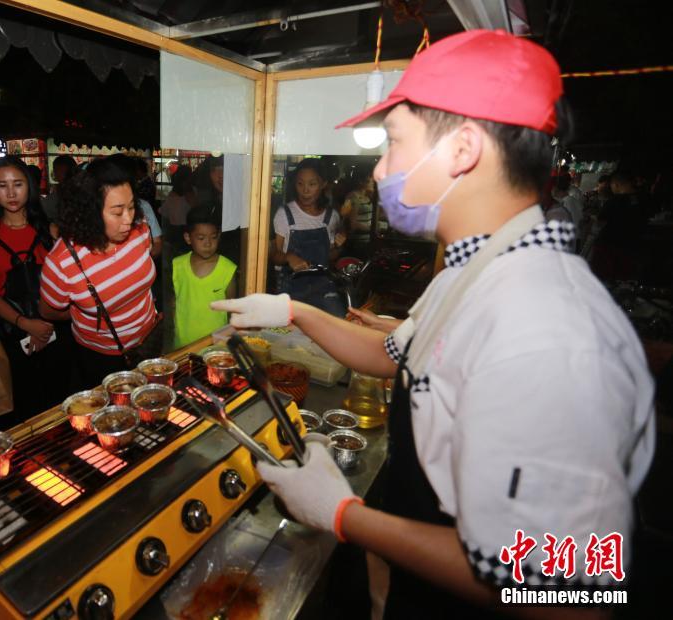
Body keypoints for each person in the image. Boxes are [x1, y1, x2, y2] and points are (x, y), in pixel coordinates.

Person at [214, 30, 654, 619]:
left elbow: (571, 595)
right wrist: (294, 311)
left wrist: (346, 516)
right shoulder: (475, 274)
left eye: (394, 142)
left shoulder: (549, 328)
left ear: (463, 149)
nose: (379, 170)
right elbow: (391, 355)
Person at [39, 156, 159, 387]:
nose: (129, 219)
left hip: (151, 340)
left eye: (131, 207)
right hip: (103, 358)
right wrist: (86, 310)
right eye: (117, 212)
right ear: (90, 211)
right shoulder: (63, 262)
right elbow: (48, 311)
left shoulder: (140, 230)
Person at [0, 156, 68, 418]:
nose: (11, 193)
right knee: (30, 408)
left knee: (64, 400)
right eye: (2, 185)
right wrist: (27, 324)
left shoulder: (51, 230)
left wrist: (47, 323)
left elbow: (68, 282)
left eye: (18, 184)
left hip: (57, 326)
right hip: (16, 333)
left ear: (29, 186)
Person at [271, 158, 347, 316]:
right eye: (300, 184)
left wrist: (338, 247)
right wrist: (289, 257)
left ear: (323, 184)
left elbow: (329, 257)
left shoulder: (331, 216)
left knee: (338, 320)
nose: (305, 191)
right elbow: (274, 255)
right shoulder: (284, 214)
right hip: (291, 289)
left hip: (323, 287)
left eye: (312, 184)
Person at [172, 207, 236, 349]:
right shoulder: (177, 265)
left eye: (213, 237)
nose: (208, 243)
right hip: (183, 344)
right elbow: (174, 303)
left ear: (219, 236)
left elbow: (232, 311)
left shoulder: (227, 269)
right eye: (201, 238)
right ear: (188, 238)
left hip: (215, 346)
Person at [40, 155, 78, 227]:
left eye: (56, 170)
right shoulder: (82, 186)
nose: (55, 173)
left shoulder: (62, 191)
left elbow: (47, 208)